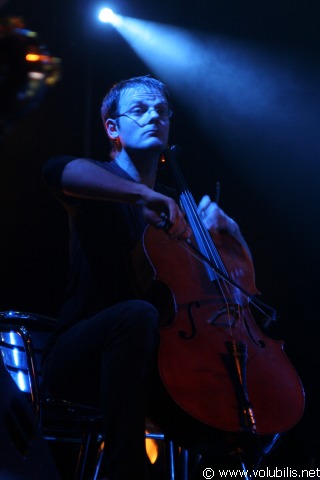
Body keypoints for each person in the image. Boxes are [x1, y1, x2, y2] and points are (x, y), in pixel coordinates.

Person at [42, 75, 250, 480]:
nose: (154, 115)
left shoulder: (178, 203)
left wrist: (233, 236)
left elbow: (233, 289)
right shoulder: (99, 181)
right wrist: (141, 194)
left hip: (158, 365)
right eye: (139, 109)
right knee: (136, 314)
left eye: (161, 110)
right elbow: (55, 171)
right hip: (82, 359)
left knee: (236, 431)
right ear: (113, 129)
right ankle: (125, 470)